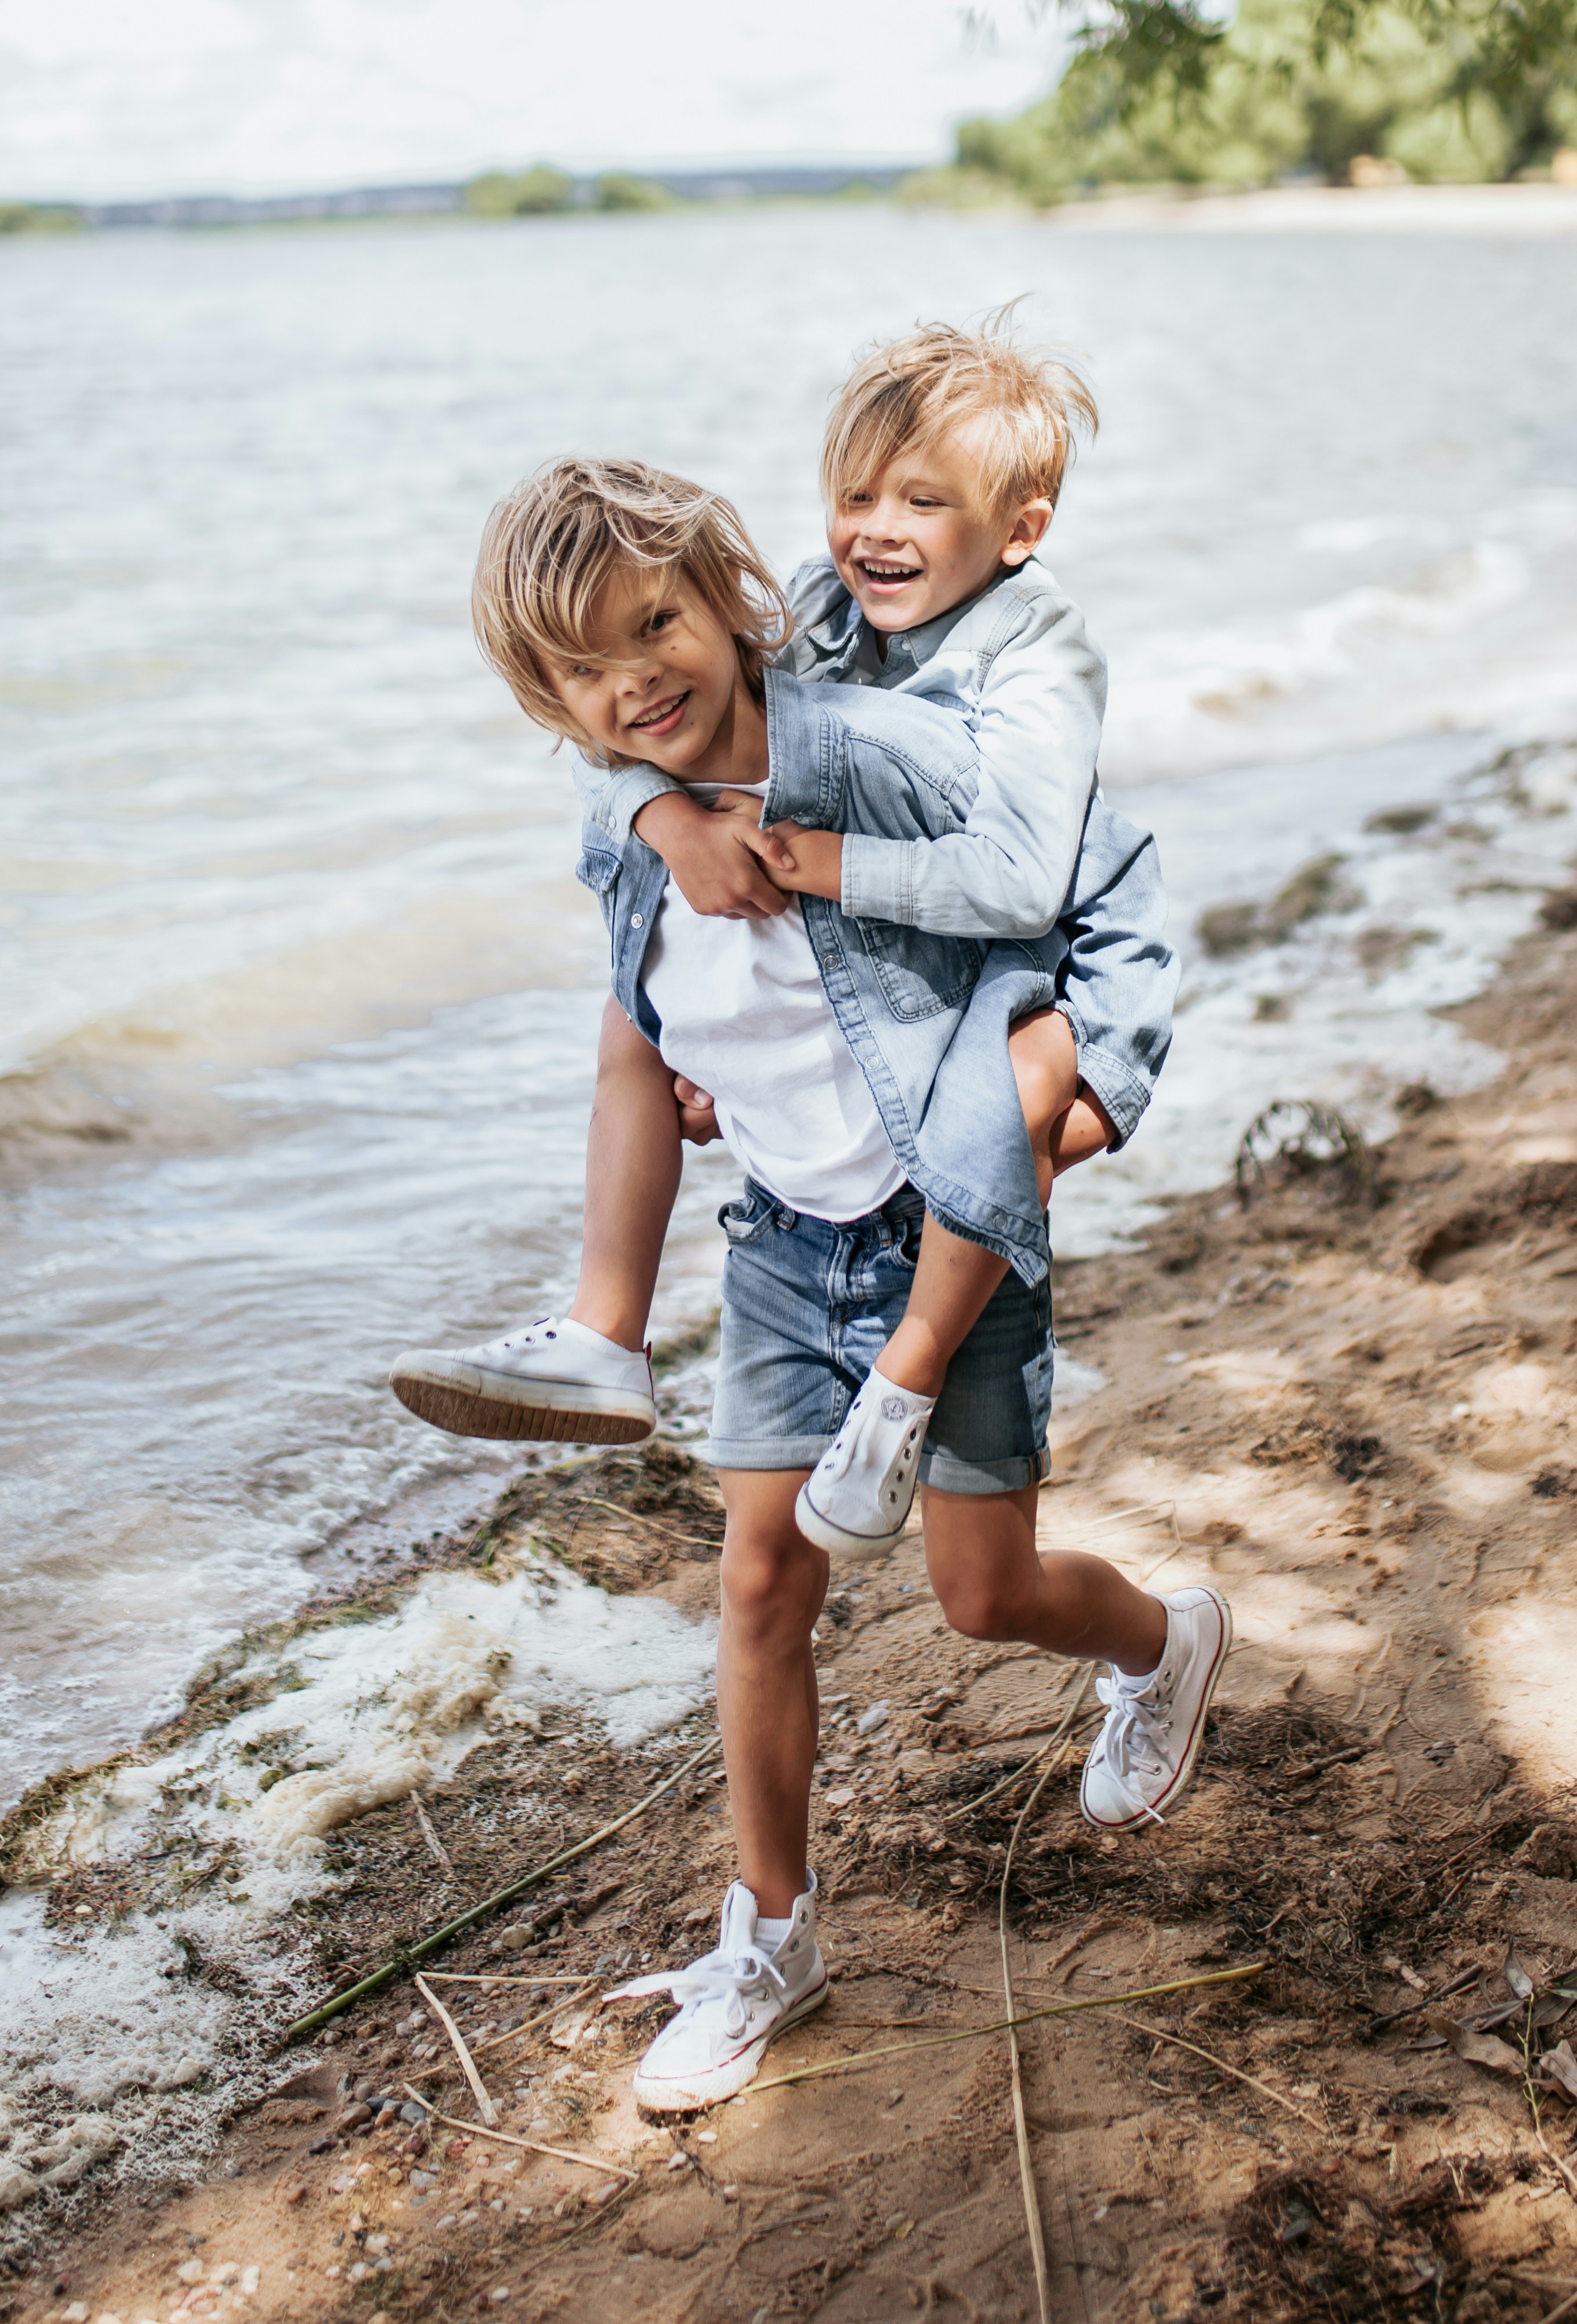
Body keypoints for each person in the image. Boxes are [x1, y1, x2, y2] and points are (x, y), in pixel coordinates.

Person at [399, 453, 1231, 2114]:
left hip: (948, 1222)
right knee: (763, 1584)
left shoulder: (873, 751)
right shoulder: (627, 818)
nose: (634, 679)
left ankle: (1164, 1640)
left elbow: (1099, 860)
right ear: (547, 698)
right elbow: (636, 896)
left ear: (737, 606)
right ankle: (769, 1930)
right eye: (582, 668)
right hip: (785, 1242)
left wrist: (1095, 1071)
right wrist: (649, 811)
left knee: (983, 1596)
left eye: (658, 624)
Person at [397, 315, 1121, 1561]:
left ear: (1018, 529)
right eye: (856, 495)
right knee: (633, 1018)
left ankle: (913, 1379)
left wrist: (807, 860)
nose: (879, 528)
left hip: (1060, 935)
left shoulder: (1032, 657)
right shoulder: (821, 611)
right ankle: (604, 1332)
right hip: (847, 1102)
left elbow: (1024, 881)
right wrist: (666, 814)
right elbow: (631, 732)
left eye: (926, 501)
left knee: (1015, 1088)